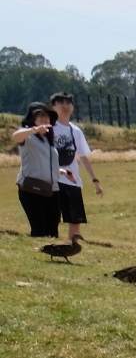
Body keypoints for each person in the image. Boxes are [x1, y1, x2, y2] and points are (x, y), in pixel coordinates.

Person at [48, 93, 100, 246]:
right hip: (53, 178)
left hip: (73, 181)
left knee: (75, 219)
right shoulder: (49, 127)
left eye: (68, 103)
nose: (65, 106)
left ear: (73, 107)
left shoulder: (76, 131)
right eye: (60, 103)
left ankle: (72, 246)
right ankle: (52, 245)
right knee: (52, 216)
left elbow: (83, 157)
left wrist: (95, 180)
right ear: (53, 107)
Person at [13, 103, 62, 238]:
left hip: (51, 188)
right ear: (32, 120)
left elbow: (45, 161)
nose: (44, 120)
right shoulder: (28, 136)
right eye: (40, 117)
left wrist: (61, 171)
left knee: (53, 226)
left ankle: (52, 252)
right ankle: (39, 254)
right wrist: (33, 130)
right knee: (39, 227)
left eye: (46, 117)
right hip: (31, 188)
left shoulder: (48, 140)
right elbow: (16, 137)